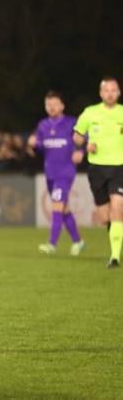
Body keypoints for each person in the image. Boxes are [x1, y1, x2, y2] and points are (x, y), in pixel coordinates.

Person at [73, 76, 123, 268]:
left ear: (118, 92)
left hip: (120, 167)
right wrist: (86, 144)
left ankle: (115, 257)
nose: (110, 93)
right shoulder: (90, 113)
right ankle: (116, 238)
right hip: (97, 170)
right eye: (106, 90)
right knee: (105, 217)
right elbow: (76, 138)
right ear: (101, 93)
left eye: (114, 90)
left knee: (118, 207)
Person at [28, 91, 85, 256]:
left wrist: (80, 150)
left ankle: (52, 244)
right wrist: (33, 145)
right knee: (64, 209)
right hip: (50, 173)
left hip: (65, 172)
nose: (51, 107)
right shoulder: (42, 125)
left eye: (54, 104)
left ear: (62, 106)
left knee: (57, 205)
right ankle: (78, 241)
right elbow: (39, 148)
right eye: (48, 104)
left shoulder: (71, 123)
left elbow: (84, 137)